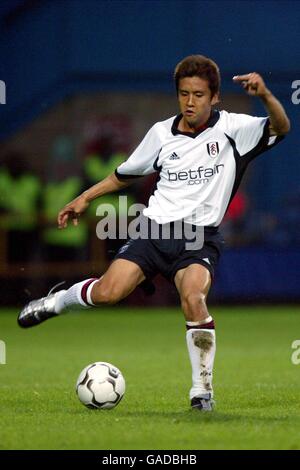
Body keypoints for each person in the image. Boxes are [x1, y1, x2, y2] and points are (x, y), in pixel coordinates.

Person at [18, 55, 290, 411]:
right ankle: (56, 301)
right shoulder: (161, 133)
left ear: (215, 97)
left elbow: (281, 127)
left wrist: (267, 96)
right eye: (183, 94)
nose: (190, 102)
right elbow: (124, 173)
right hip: (153, 230)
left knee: (194, 298)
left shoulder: (234, 130)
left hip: (198, 239)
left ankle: (201, 392)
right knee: (107, 293)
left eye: (198, 95)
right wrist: (84, 197)